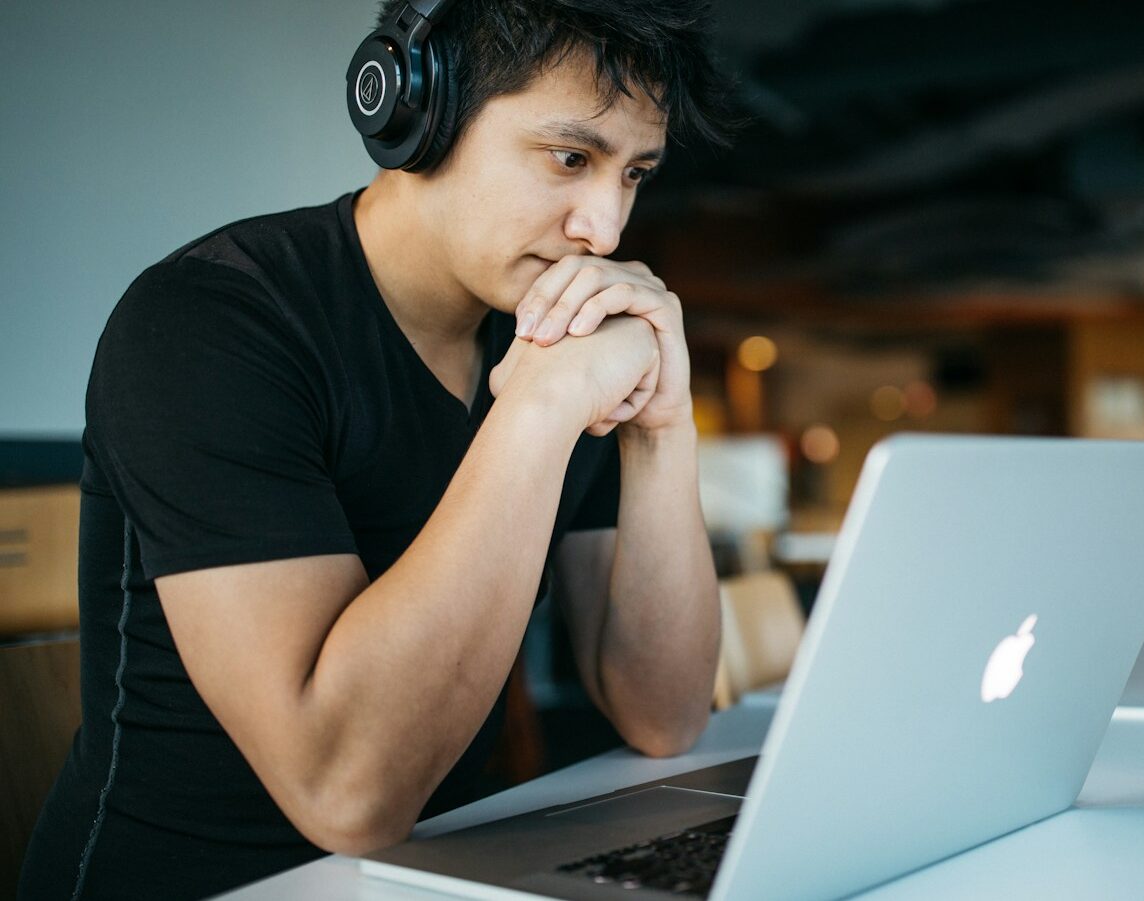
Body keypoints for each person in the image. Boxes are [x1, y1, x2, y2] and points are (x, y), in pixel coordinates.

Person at [19, 1, 738, 897]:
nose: (606, 228)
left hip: (427, 877)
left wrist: (662, 426)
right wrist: (541, 407)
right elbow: (345, 791)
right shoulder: (208, 324)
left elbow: (664, 715)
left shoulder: (553, 333)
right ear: (414, 112)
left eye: (634, 173)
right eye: (569, 157)